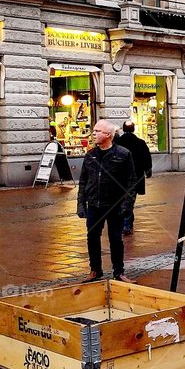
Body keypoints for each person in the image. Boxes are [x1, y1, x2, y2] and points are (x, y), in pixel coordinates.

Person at [77, 119, 135, 282]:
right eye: (93, 131)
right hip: (94, 204)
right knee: (92, 237)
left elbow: (131, 181)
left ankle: (119, 271)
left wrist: (127, 206)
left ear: (108, 135)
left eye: (97, 131)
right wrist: (81, 204)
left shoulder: (123, 154)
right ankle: (95, 270)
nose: (93, 134)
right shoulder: (90, 155)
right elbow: (83, 181)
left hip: (115, 204)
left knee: (115, 238)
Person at [117, 120, 152, 235]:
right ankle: (127, 224)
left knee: (120, 200)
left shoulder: (117, 142)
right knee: (129, 201)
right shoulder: (140, 143)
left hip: (118, 177)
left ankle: (123, 223)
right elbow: (146, 158)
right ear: (133, 129)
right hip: (135, 177)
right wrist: (148, 171)